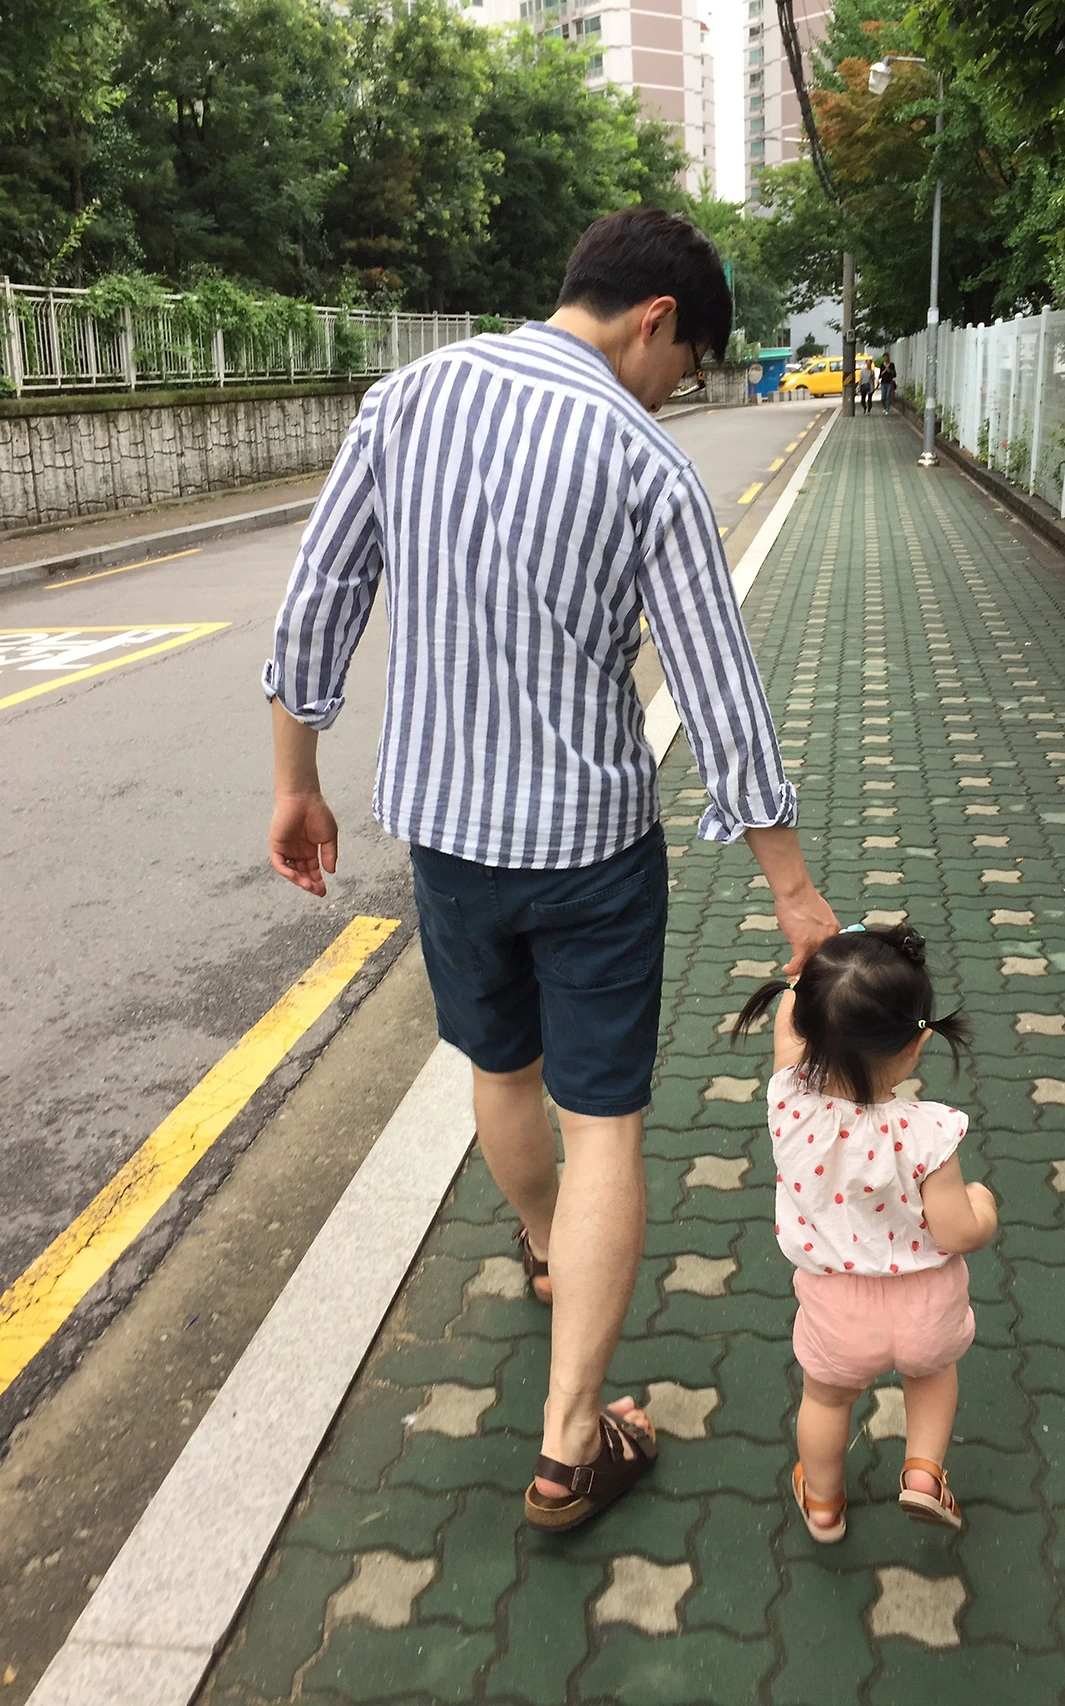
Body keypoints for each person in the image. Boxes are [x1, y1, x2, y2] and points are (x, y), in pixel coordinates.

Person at [264, 206, 838, 1534]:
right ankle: (573, 1441)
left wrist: (295, 783)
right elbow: (719, 689)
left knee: (500, 1069)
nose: (677, 388)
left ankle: (542, 1248)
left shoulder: (405, 399)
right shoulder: (642, 458)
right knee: (605, 1125)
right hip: (589, 847)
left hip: (447, 836)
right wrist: (792, 888)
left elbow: (317, 604)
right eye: (686, 363)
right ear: (655, 320)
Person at [733, 924, 997, 1540]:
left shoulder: (790, 1105)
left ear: (810, 1031)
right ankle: (923, 1474)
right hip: (927, 1303)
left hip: (837, 1308)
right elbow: (957, 1231)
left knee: (826, 1401)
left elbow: (789, 1033)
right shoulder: (929, 1132)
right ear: (916, 1045)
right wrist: (982, 1206)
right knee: (932, 1378)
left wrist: (810, 974)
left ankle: (824, 1504)